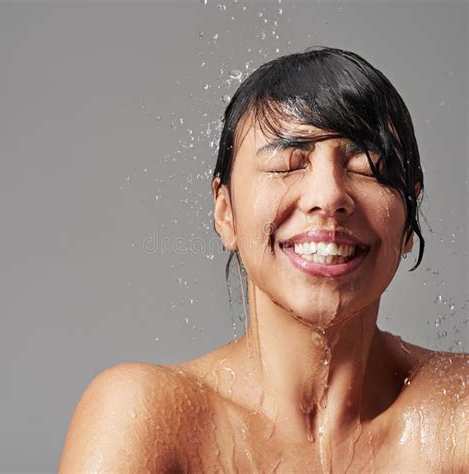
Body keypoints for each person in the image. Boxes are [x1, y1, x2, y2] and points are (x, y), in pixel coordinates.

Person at [58, 47, 468, 473]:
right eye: (286, 164)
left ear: (408, 213)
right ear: (226, 212)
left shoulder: (459, 411)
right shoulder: (143, 417)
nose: (329, 197)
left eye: (367, 167)